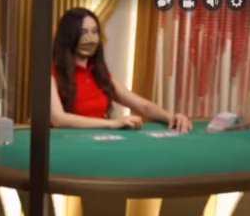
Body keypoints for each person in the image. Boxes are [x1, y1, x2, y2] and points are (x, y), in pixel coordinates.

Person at [49, 7, 191, 132]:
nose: (91, 38)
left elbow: (143, 106)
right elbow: (59, 119)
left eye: (95, 32)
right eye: (83, 32)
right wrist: (112, 123)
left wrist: (171, 118)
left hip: (100, 141)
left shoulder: (99, 74)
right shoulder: (51, 73)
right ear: (69, 36)